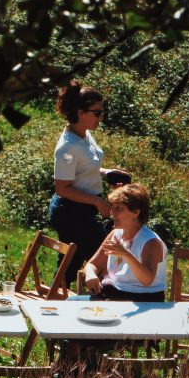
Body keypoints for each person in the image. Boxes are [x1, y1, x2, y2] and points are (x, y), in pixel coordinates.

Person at [48, 81, 130, 287]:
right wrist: (97, 202)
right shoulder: (67, 147)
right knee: (104, 260)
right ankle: (107, 301)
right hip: (70, 212)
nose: (101, 117)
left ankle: (55, 301)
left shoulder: (85, 135)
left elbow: (85, 169)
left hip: (82, 211)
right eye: (97, 113)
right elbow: (62, 187)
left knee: (70, 263)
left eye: (102, 112)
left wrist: (106, 173)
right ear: (80, 112)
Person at [82, 183, 168, 302]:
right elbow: (92, 264)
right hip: (113, 294)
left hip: (142, 300)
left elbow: (147, 280)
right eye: (112, 207)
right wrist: (91, 274)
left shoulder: (151, 242)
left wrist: (126, 254)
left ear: (135, 213)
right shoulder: (115, 234)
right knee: (69, 306)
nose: (112, 212)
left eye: (118, 208)